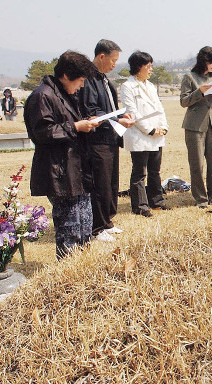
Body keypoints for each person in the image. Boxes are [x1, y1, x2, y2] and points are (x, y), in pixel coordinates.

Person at [24, 51, 99, 259]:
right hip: (59, 171)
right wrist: (76, 126)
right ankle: (68, 273)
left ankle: (83, 268)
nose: (81, 86)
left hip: (76, 170)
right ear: (66, 75)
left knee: (85, 226)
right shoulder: (42, 96)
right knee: (70, 229)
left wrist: (86, 123)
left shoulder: (64, 94)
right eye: (80, 80)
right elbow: (42, 133)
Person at [79, 39, 135, 242]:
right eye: (113, 60)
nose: (114, 65)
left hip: (111, 137)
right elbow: (91, 110)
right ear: (101, 56)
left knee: (111, 182)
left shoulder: (105, 80)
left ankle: (107, 221)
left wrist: (123, 117)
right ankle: (97, 227)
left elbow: (111, 108)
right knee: (99, 183)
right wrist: (116, 119)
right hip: (96, 140)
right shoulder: (87, 80)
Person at [120, 51, 169, 218]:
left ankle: (157, 201)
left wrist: (163, 127)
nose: (151, 69)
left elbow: (159, 109)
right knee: (140, 171)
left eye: (151, 66)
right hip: (140, 135)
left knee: (155, 170)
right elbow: (132, 112)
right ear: (138, 67)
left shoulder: (150, 86)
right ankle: (140, 206)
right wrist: (150, 129)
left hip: (156, 135)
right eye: (148, 66)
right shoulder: (128, 86)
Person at [180, 46, 212, 209]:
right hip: (194, 126)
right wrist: (199, 92)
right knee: (197, 164)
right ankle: (200, 198)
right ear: (203, 60)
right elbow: (184, 101)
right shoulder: (189, 77)